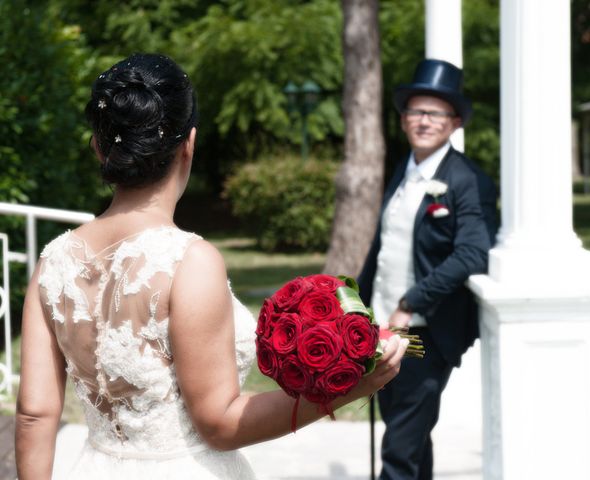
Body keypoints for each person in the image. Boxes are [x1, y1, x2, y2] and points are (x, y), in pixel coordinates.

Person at [15, 53, 408, 480]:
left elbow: (34, 414)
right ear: (190, 143)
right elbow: (220, 423)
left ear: (99, 148)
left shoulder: (52, 261)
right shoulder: (188, 261)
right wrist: (349, 387)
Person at [358, 58, 498, 480]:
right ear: (403, 120)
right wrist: (357, 305)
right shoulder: (404, 169)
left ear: (454, 122)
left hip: (424, 332)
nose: (422, 120)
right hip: (383, 323)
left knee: (400, 447)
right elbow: (383, 245)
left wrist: (410, 301)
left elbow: (473, 254)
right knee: (410, 435)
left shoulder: (466, 180)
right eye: (415, 111)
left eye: (434, 113)